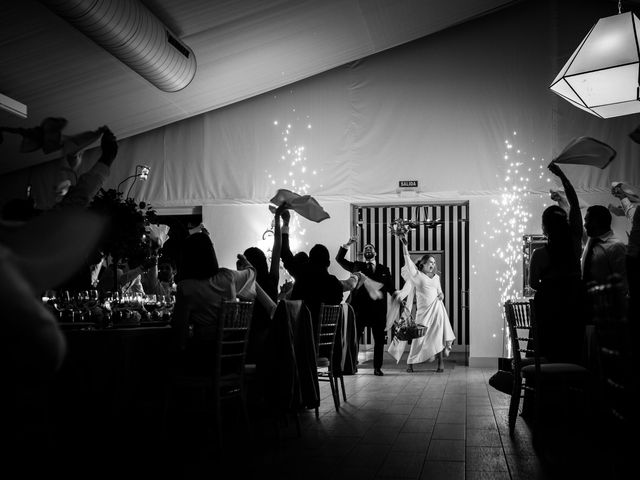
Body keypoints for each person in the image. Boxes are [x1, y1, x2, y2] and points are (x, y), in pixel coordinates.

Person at [170, 232, 258, 372]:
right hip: (231, 357)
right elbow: (251, 273)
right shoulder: (228, 277)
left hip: (202, 360)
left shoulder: (186, 288)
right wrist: (244, 261)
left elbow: (180, 332)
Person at [529, 162, 586, 364]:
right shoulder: (575, 243)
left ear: (544, 229)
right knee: (572, 353)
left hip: (547, 308)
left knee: (545, 354)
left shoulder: (539, 254)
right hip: (574, 303)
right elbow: (575, 203)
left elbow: (534, 284)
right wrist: (562, 176)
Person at [393, 234, 455, 372]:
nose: (432, 265)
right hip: (423, 311)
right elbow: (407, 260)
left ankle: (440, 363)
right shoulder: (417, 275)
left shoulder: (437, 277)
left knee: (438, 335)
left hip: (438, 309)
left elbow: (440, 292)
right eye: (430, 262)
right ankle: (410, 363)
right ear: (423, 264)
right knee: (419, 337)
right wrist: (404, 245)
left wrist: (441, 295)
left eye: (434, 263)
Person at [336, 237, 394, 376]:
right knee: (354, 339)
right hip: (359, 310)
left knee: (379, 341)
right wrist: (347, 244)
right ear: (363, 254)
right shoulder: (356, 265)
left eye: (370, 248)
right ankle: (352, 364)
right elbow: (339, 259)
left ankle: (377, 368)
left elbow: (391, 288)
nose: (368, 249)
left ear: (375, 253)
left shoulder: (384, 269)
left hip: (378, 312)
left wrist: (399, 298)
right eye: (365, 248)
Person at [581, 204, 627, 291]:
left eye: (587, 221)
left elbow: (622, 284)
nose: (585, 225)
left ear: (597, 221)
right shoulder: (591, 240)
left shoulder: (616, 247)